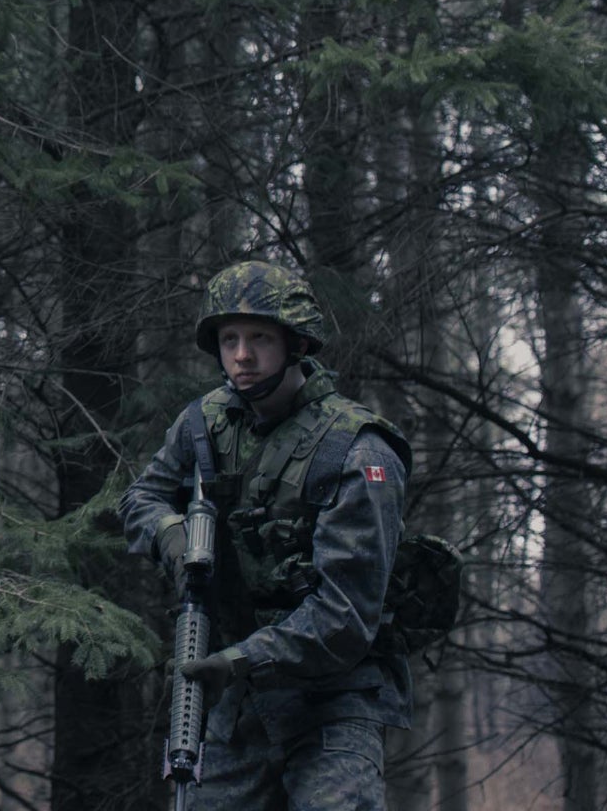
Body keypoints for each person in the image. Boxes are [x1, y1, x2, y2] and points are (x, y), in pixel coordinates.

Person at [120, 261, 412, 809]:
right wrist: (174, 537)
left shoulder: (358, 448)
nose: (241, 356)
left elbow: (346, 616)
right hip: (240, 703)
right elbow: (141, 497)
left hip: (334, 702)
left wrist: (236, 663)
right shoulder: (203, 423)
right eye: (229, 339)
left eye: (258, 337)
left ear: (295, 343)